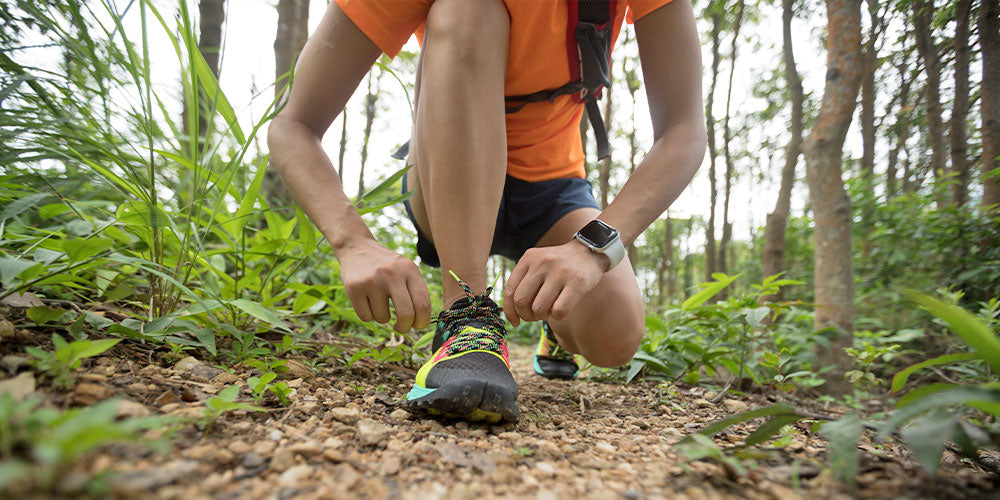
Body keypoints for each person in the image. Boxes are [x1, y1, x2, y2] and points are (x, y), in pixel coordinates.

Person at [267, 0, 706, 424]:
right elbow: (294, 125)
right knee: (467, 6)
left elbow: (684, 130)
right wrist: (353, 242)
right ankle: (466, 319)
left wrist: (590, 249)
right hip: (447, 174)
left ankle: (553, 328)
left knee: (615, 337)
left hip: (554, 186)